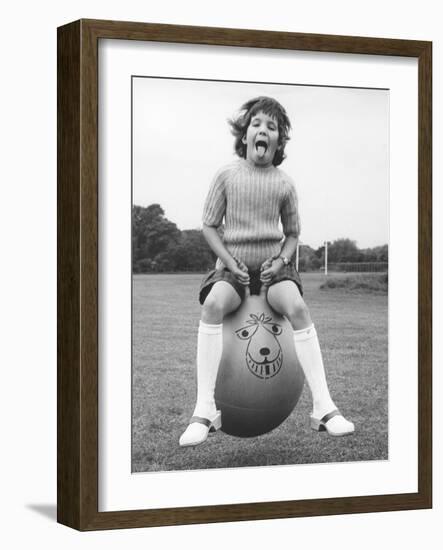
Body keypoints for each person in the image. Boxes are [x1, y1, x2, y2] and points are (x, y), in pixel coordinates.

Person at [179, 96, 354, 447]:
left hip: (273, 271)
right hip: (234, 269)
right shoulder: (226, 175)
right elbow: (209, 226)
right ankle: (204, 409)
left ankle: (324, 407)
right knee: (213, 304)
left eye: (272, 127)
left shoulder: (285, 183)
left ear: (279, 141)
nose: (263, 131)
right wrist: (229, 263)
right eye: (257, 124)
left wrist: (281, 260)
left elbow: (292, 234)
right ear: (245, 136)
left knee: (299, 308)